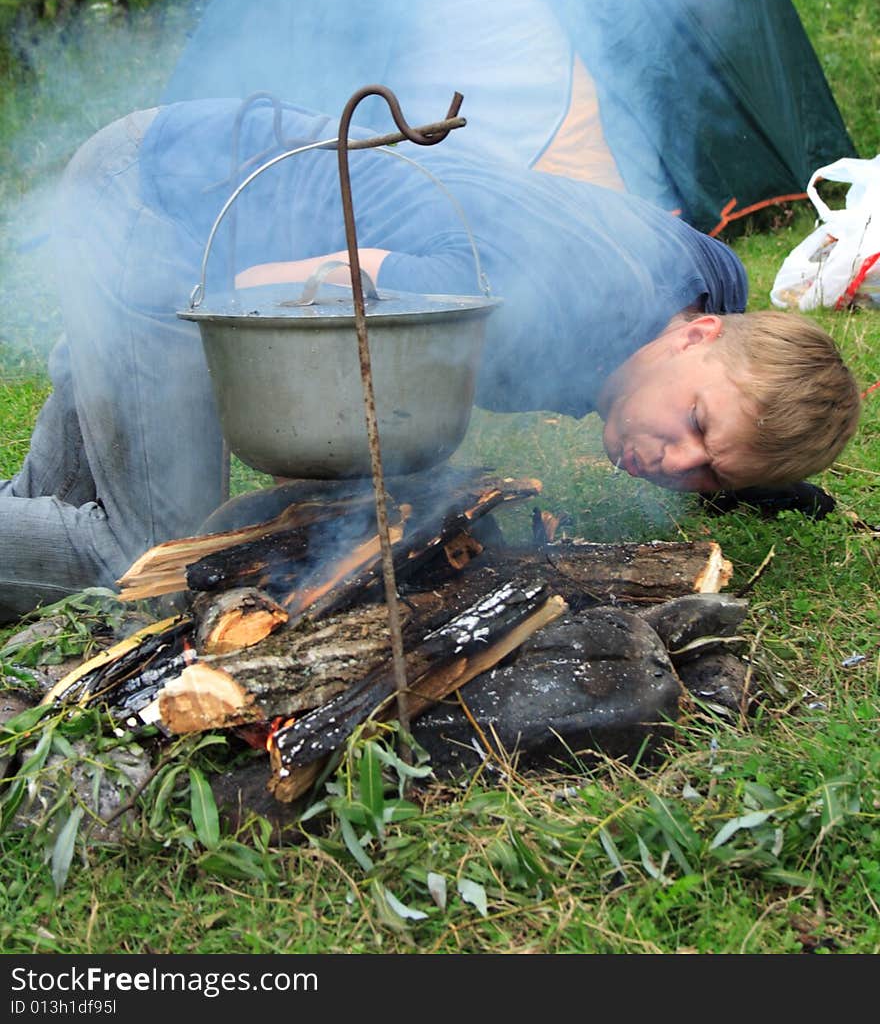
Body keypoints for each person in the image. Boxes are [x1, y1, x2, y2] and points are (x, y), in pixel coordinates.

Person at [0, 94, 861, 621]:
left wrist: (753, 459)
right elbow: (290, 284)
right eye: (695, 425)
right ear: (694, 337)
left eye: (709, 474)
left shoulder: (707, 291)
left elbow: (730, 296)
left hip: (179, 164)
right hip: (162, 208)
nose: (675, 464)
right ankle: (110, 360)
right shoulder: (554, 306)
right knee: (152, 554)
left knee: (53, 510)